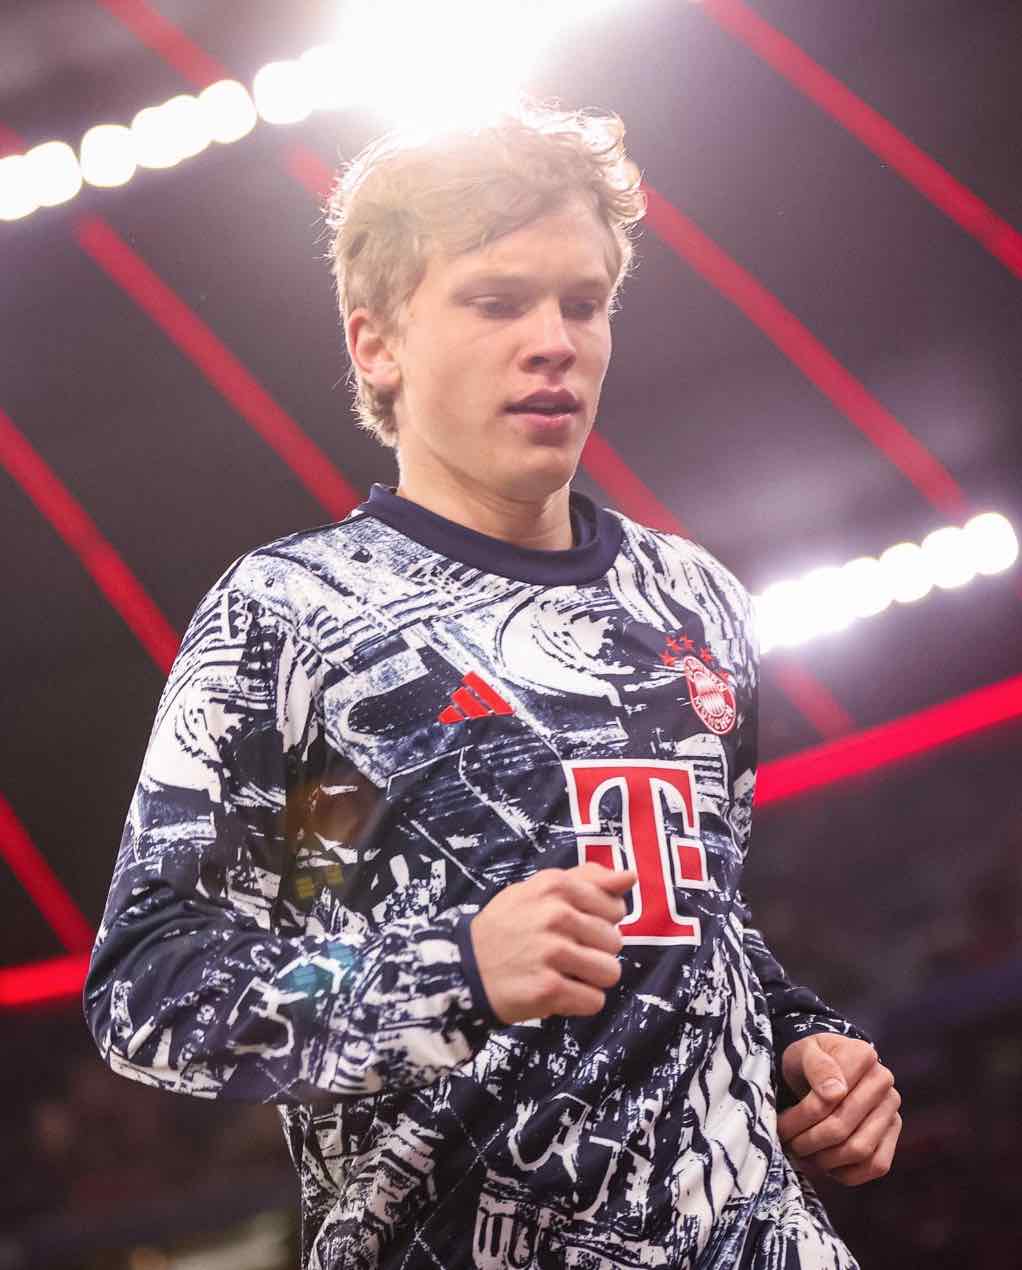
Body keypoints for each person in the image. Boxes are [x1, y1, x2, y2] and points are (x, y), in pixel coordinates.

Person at [84, 101, 901, 1268]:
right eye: (496, 301)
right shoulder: (295, 618)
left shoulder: (694, 600)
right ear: (377, 344)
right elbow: (153, 988)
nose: (553, 340)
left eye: (582, 302)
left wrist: (797, 1042)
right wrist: (451, 973)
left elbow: (694, 915)